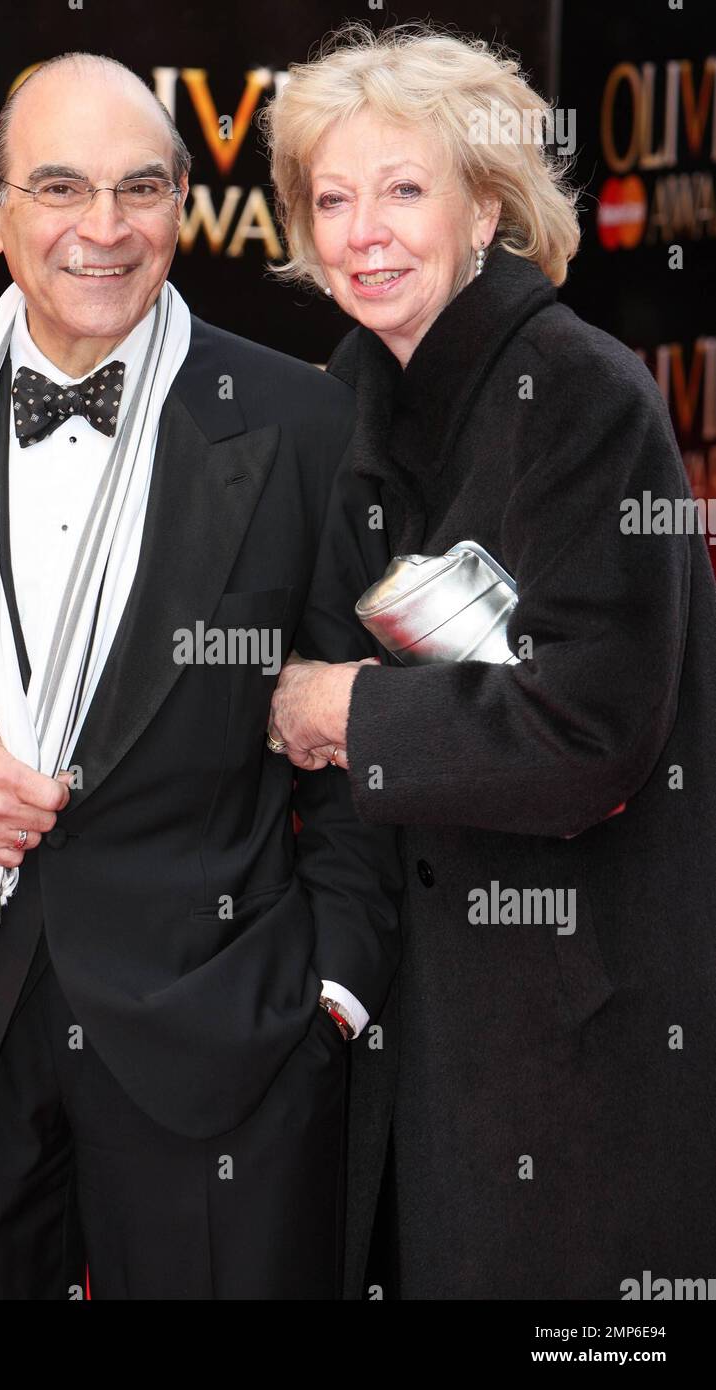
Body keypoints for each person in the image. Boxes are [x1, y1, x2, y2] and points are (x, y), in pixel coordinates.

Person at [0, 51, 399, 1300]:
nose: (103, 229)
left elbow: (359, 728)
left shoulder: (300, 423)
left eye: (138, 188)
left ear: (179, 209)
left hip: (225, 1049)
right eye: (59, 187)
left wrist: (330, 992)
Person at [262, 22, 716, 1299]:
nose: (364, 232)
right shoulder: (341, 389)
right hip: (401, 1002)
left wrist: (345, 707)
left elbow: (592, 730)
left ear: (485, 206)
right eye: (333, 199)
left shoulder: (582, 395)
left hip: (573, 1016)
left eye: (404, 191)